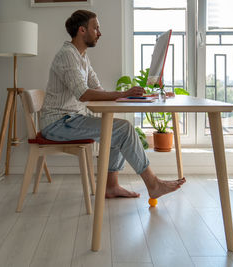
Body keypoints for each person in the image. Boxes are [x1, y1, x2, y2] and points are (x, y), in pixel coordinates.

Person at [40, 10, 185, 198]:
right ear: (82, 30)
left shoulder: (81, 56)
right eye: (96, 28)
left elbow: (97, 89)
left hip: (71, 119)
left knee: (115, 128)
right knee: (122, 129)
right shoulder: (68, 55)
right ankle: (153, 184)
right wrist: (124, 93)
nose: (99, 33)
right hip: (58, 123)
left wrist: (144, 94)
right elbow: (83, 94)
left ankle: (111, 187)